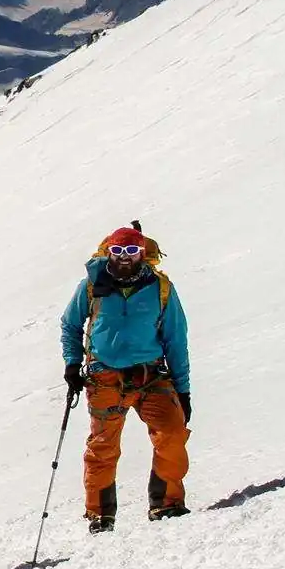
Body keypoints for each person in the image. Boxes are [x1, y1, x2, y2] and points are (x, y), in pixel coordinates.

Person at [62, 224, 191, 530]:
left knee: (172, 433)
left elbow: (176, 339)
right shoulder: (92, 286)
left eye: (131, 251)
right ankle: (100, 514)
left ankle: (167, 504)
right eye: (118, 251)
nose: (124, 257)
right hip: (104, 378)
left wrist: (183, 390)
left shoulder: (160, 288)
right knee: (103, 446)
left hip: (151, 376)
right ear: (108, 252)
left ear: (143, 254)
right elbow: (70, 324)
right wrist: (72, 364)